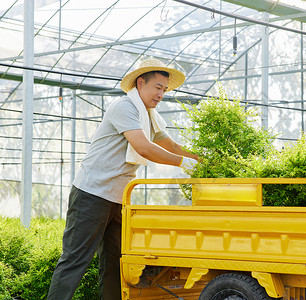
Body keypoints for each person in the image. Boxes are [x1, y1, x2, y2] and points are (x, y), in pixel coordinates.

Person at [47, 58, 198, 300]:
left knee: (115, 262)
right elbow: (144, 147)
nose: (161, 94)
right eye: (157, 87)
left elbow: (169, 144)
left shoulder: (149, 116)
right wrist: (183, 163)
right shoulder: (125, 107)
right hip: (92, 194)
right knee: (75, 260)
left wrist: (202, 159)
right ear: (140, 83)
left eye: (165, 89)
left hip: (117, 198)